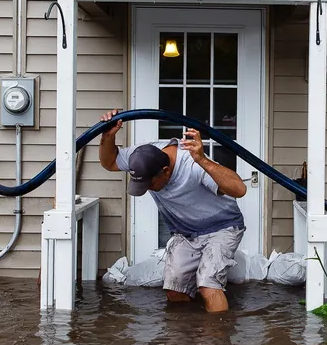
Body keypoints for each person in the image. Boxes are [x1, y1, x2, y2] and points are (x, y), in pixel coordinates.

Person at [99, 110, 247, 313]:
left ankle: (218, 341)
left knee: (208, 283)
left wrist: (203, 160)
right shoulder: (142, 156)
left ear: (165, 171)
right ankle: (184, 338)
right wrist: (108, 136)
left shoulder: (192, 165)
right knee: (174, 288)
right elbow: (109, 162)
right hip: (186, 233)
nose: (149, 189)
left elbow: (240, 189)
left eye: (150, 184)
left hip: (222, 227)